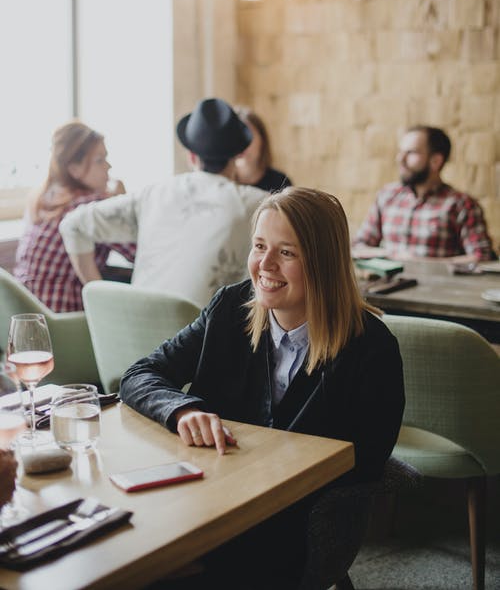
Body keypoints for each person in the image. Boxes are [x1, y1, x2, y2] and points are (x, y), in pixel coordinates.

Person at [120, 186, 405, 589]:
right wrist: (182, 409)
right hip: (208, 500)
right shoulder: (228, 308)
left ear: (322, 263)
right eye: (259, 246)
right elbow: (140, 374)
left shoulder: (371, 348)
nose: (264, 265)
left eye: (286, 252)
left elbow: (366, 459)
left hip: (290, 525)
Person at [59, 99, 266, 309]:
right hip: (202, 338)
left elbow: (73, 225)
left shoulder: (155, 193)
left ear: (191, 156)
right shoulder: (258, 206)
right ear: (238, 155)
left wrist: (102, 305)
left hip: (127, 335)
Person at [14, 121, 136, 312]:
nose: (109, 166)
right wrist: (122, 201)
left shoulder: (45, 198)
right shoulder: (87, 205)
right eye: (100, 160)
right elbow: (139, 252)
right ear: (74, 169)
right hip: (63, 323)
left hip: (27, 317)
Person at [353, 125, 495, 262]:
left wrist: (423, 264)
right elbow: (359, 246)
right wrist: (390, 255)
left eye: (411, 153)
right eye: (400, 151)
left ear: (436, 161)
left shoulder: (462, 205)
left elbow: (481, 257)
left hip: (439, 286)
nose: (400, 159)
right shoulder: (386, 196)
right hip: (387, 285)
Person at [234, 106, 292, 192]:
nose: (241, 143)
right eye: (235, 137)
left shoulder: (281, 182)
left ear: (262, 140)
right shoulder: (220, 184)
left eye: (248, 136)